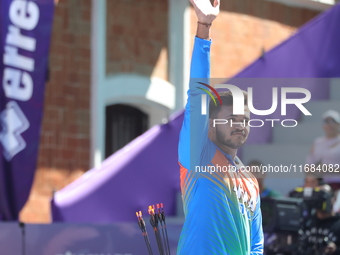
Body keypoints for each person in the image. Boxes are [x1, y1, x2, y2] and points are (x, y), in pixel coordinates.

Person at [177, 0, 263, 254]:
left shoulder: (250, 180)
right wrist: (204, 27)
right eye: (233, 118)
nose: (241, 124)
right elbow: (197, 95)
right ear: (210, 125)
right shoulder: (199, 154)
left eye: (245, 120)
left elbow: (256, 244)